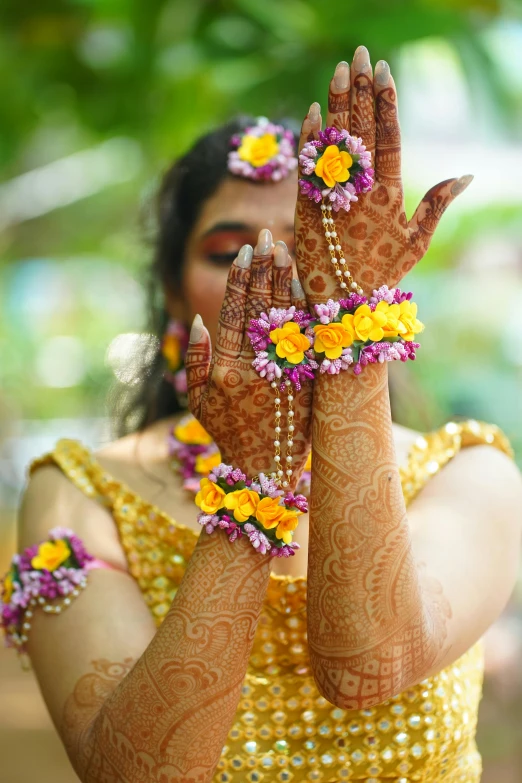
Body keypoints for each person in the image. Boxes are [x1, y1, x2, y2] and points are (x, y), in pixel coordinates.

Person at [3, 46, 521, 783]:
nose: (279, 279)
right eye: (230, 253)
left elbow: (368, 665)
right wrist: (256, 479)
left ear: (375, 267)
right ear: (175, 296)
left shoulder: (468, 472)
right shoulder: (81, 492)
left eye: (317, 247)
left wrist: (350, 323)